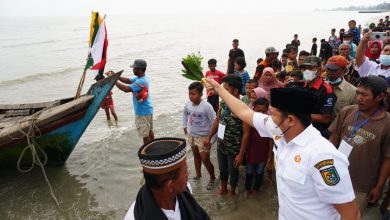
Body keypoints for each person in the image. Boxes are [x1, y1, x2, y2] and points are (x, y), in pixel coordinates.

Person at [203, 79, 360, 219]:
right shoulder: (279, 128)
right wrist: (219, 88)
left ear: (290, 120)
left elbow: (350, 213)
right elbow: (244, 112)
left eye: (274, 114)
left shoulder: (322, 156)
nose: (269, 118)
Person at [328, 76, 390, 214]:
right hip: (334, 177)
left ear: (380, 96)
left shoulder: (387, 124)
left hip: (361, 186)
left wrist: (379, 187)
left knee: (350, 215)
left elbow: (387, 158)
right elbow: (333, 139)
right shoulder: (347, 111)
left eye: (364, 95)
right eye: (358, 93)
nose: (359, 98)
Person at [124, 137, 210, 220]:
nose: (188, 173)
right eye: (185, 171)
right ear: (170, 185)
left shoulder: (185, 189)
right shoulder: (133, 217)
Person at [203, 75, 250, 196]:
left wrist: (241, 154)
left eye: (226, 89)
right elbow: (217, 121)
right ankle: (223, 189)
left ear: (235, 91)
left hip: (234, 147)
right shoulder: (223, 103)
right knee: (223, 169)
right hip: (221, 144)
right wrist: (208, 137)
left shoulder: (243, 108)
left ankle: (233, 191)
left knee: (233, 170)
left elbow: (246, 134)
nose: (222, 92)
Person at [106, 59, 154, 144]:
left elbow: (125, 89)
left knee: (145, 135)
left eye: (134, 68)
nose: (132, 69)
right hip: (148, 110)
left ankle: (149, 153)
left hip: (142, 112)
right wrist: (116, 76)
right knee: (149, 131)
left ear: (139, 69)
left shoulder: (141, 81)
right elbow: (128, 80)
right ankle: (154, 146)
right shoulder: (142, 78)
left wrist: (113, 80)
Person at [182, 82, 216, 189]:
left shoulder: (207, 106)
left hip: (203, 138)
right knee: (196, 156)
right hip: (192, 136)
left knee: (205, 159)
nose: (191, 96)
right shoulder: (188, 104)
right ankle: (198, 174)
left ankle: (212, 177)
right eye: (190, 94)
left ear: (201, 94)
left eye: (194, 94)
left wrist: (211, 140)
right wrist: (184, 126)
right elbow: (185, 115)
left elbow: (214, 122)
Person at [301, 56, 337, 138]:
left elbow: (326, 118)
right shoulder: (302, 86)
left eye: (310, 68)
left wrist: (301, 115)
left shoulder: (327, 90)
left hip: (316, 134)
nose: (306, 71)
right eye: (304, 68)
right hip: (301, 131)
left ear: (320, 70)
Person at [245, 98, 273, 195]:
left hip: (263, 154)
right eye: (258, 110)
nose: (261, 113)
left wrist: (269, 159)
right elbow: (245, 136)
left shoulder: (269, 122)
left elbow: (271, 142)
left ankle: (256, 190)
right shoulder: (250, 121)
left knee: (259, 172)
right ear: (253, 109)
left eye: (263, 111)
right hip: (251, 153)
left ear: (267, 110)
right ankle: (247, 190)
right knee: (249, 172)